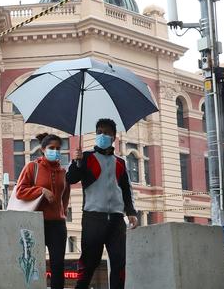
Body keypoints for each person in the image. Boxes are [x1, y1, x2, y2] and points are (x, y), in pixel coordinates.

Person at [66, 118, 138, 289]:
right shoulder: (86, 157)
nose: (102, 135)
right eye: (99, 132)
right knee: (89, 263)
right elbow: (70, 178)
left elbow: (126, 189)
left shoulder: (120, 162)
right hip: (93, 218)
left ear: (114, 137)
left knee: (119, 263)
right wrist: (77, 161)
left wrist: (131, 212)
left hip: (116, 219)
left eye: (106, 133)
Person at [16, 132, 71, 289]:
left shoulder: (63, 172)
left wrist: (63, 212)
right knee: (34, 263)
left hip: (58, 224)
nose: (55, 151)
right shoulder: (32, 167)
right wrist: (41, 190)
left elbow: (65, 196)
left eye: (58, 148)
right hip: (36, 223)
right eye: (51, 148)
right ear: (43, 149)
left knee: (58, 265)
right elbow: (20, 191)